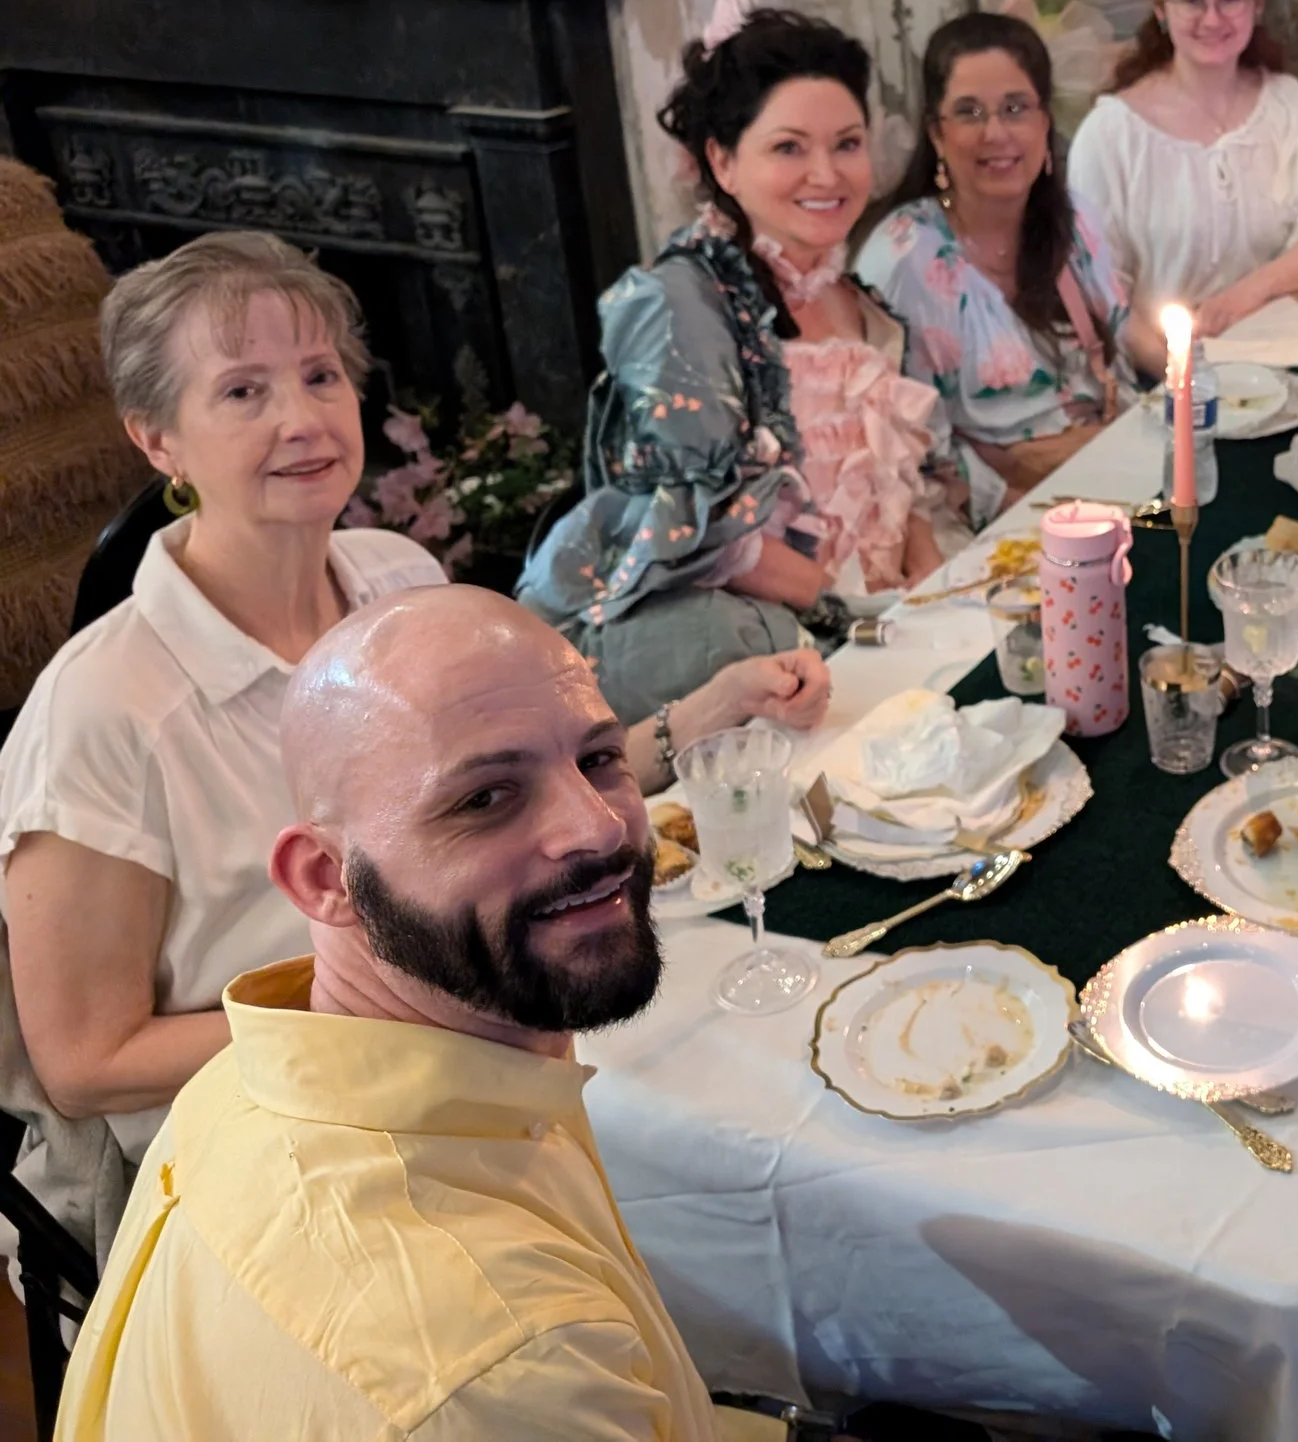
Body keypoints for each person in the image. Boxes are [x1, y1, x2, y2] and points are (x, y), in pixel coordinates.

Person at [0, 233, 825, 1252]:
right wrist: (397, 1014)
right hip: (265, 1148)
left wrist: (709, 712)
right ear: (157, 437)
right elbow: (85, 1058)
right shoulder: (103, 710)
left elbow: (515, 801)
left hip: (479, 1033)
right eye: (244, 392)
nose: (302, 417)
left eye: (318, 374)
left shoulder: (396, 579)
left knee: (765, 1072)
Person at [55, 586, 783, 1438]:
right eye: (484, 799)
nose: (597, 829)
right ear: (326, 880)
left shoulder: (243, 1080)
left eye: (597, 759)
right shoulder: (494, 1364)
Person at [522, 10, 970, 721]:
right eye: (788, 147)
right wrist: (865, 613)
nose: (827, 174)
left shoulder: (854, 296)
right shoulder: (679, 303)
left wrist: (922, 570)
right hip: (761, 661)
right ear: (722, 161)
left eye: (847, 144)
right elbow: (698, 534)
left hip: (882, 622)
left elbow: (894, 472)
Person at [857, 12, 1136, 507]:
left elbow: (1120, 359)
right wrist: (1029, 504)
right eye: (969, 112)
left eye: (1015, 108)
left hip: (1113, 475)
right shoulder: (902, 262)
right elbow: (910, 451)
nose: (996, 134)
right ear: (937, 135)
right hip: (994, 515)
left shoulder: (1074, 223)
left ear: (1044, 121)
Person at [1065, 0, 1298, 355]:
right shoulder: (1111, 135)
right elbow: (1099, 289)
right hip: (1157, 377)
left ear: (1257, 3)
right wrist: (1177, 381)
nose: (1212, 19)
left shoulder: (1288, 106)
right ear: (1161, 8)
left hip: (1282, 360)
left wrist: (1241, 299)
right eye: (1192, 0)